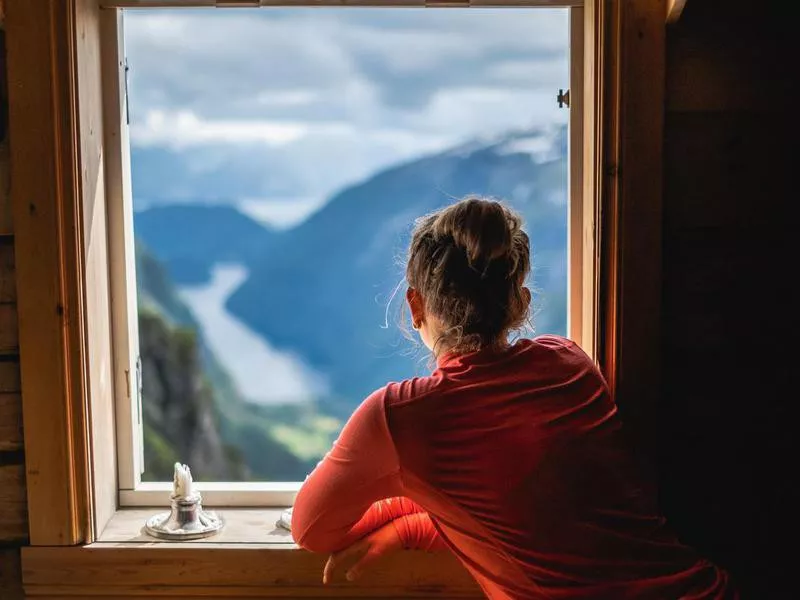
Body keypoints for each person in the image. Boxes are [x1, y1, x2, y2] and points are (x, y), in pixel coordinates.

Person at [291, 196, 737, 599]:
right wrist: (421, 519)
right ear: (520, 302)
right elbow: (544, 512)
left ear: (415, 306)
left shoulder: (401, 418)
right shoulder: (571, 365)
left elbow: (311, 528)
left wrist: (410, 515)